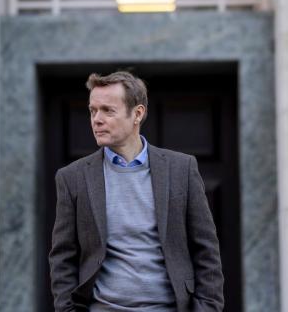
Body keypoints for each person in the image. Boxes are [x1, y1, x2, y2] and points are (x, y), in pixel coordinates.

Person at [48, 70, 224, 312]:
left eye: (108, 110)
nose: (96, 119)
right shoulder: (73, 177)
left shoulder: (182, 169)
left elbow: (206, 251)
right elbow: (62, 259)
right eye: (92, 110)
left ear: (137, 114)